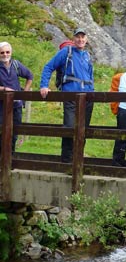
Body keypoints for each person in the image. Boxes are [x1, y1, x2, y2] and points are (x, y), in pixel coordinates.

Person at [40, 29, 94, 163]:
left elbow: (90, 76)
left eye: (83, 37)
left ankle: (78, 158)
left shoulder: (87, 55)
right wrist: (44, 85)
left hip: (87, 97)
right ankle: (67, 160)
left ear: (86, 39)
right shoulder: (66, 52)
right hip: (71, 96)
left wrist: (93, 92)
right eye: (78, 37)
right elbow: (48, 67)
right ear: (74, 39)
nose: (80, 40)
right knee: (70, 127)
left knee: (84, 129)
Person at [0, 41, 33, 153]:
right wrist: (4, 89)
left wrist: (25, 93)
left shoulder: (16, 64)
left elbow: (29, 76)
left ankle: (11, 159)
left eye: (7, 52)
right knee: (2, 132)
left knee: (15, 132)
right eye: (2, 52)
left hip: (16, 105)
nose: (5, 55)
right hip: (1, 106)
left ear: (11, 52)